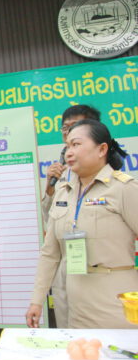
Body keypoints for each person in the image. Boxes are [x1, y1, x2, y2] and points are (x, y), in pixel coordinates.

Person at [27, 119, 138, 329]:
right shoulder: (63, 192)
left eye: (76, 145)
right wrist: (37, 300)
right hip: (75, 307)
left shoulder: (124, 188)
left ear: (102, 149)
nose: (69, 152)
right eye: (67, 146)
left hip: (116, 305)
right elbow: (50, 253)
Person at [41, 104, 101, 328]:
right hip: (66, 265)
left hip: (98, 268)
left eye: (75, 126)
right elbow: (48, 219)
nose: (68, 133)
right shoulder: (60, 174)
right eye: (65, 128)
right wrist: (49, 187)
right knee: (67, 330)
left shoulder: (110, 173)